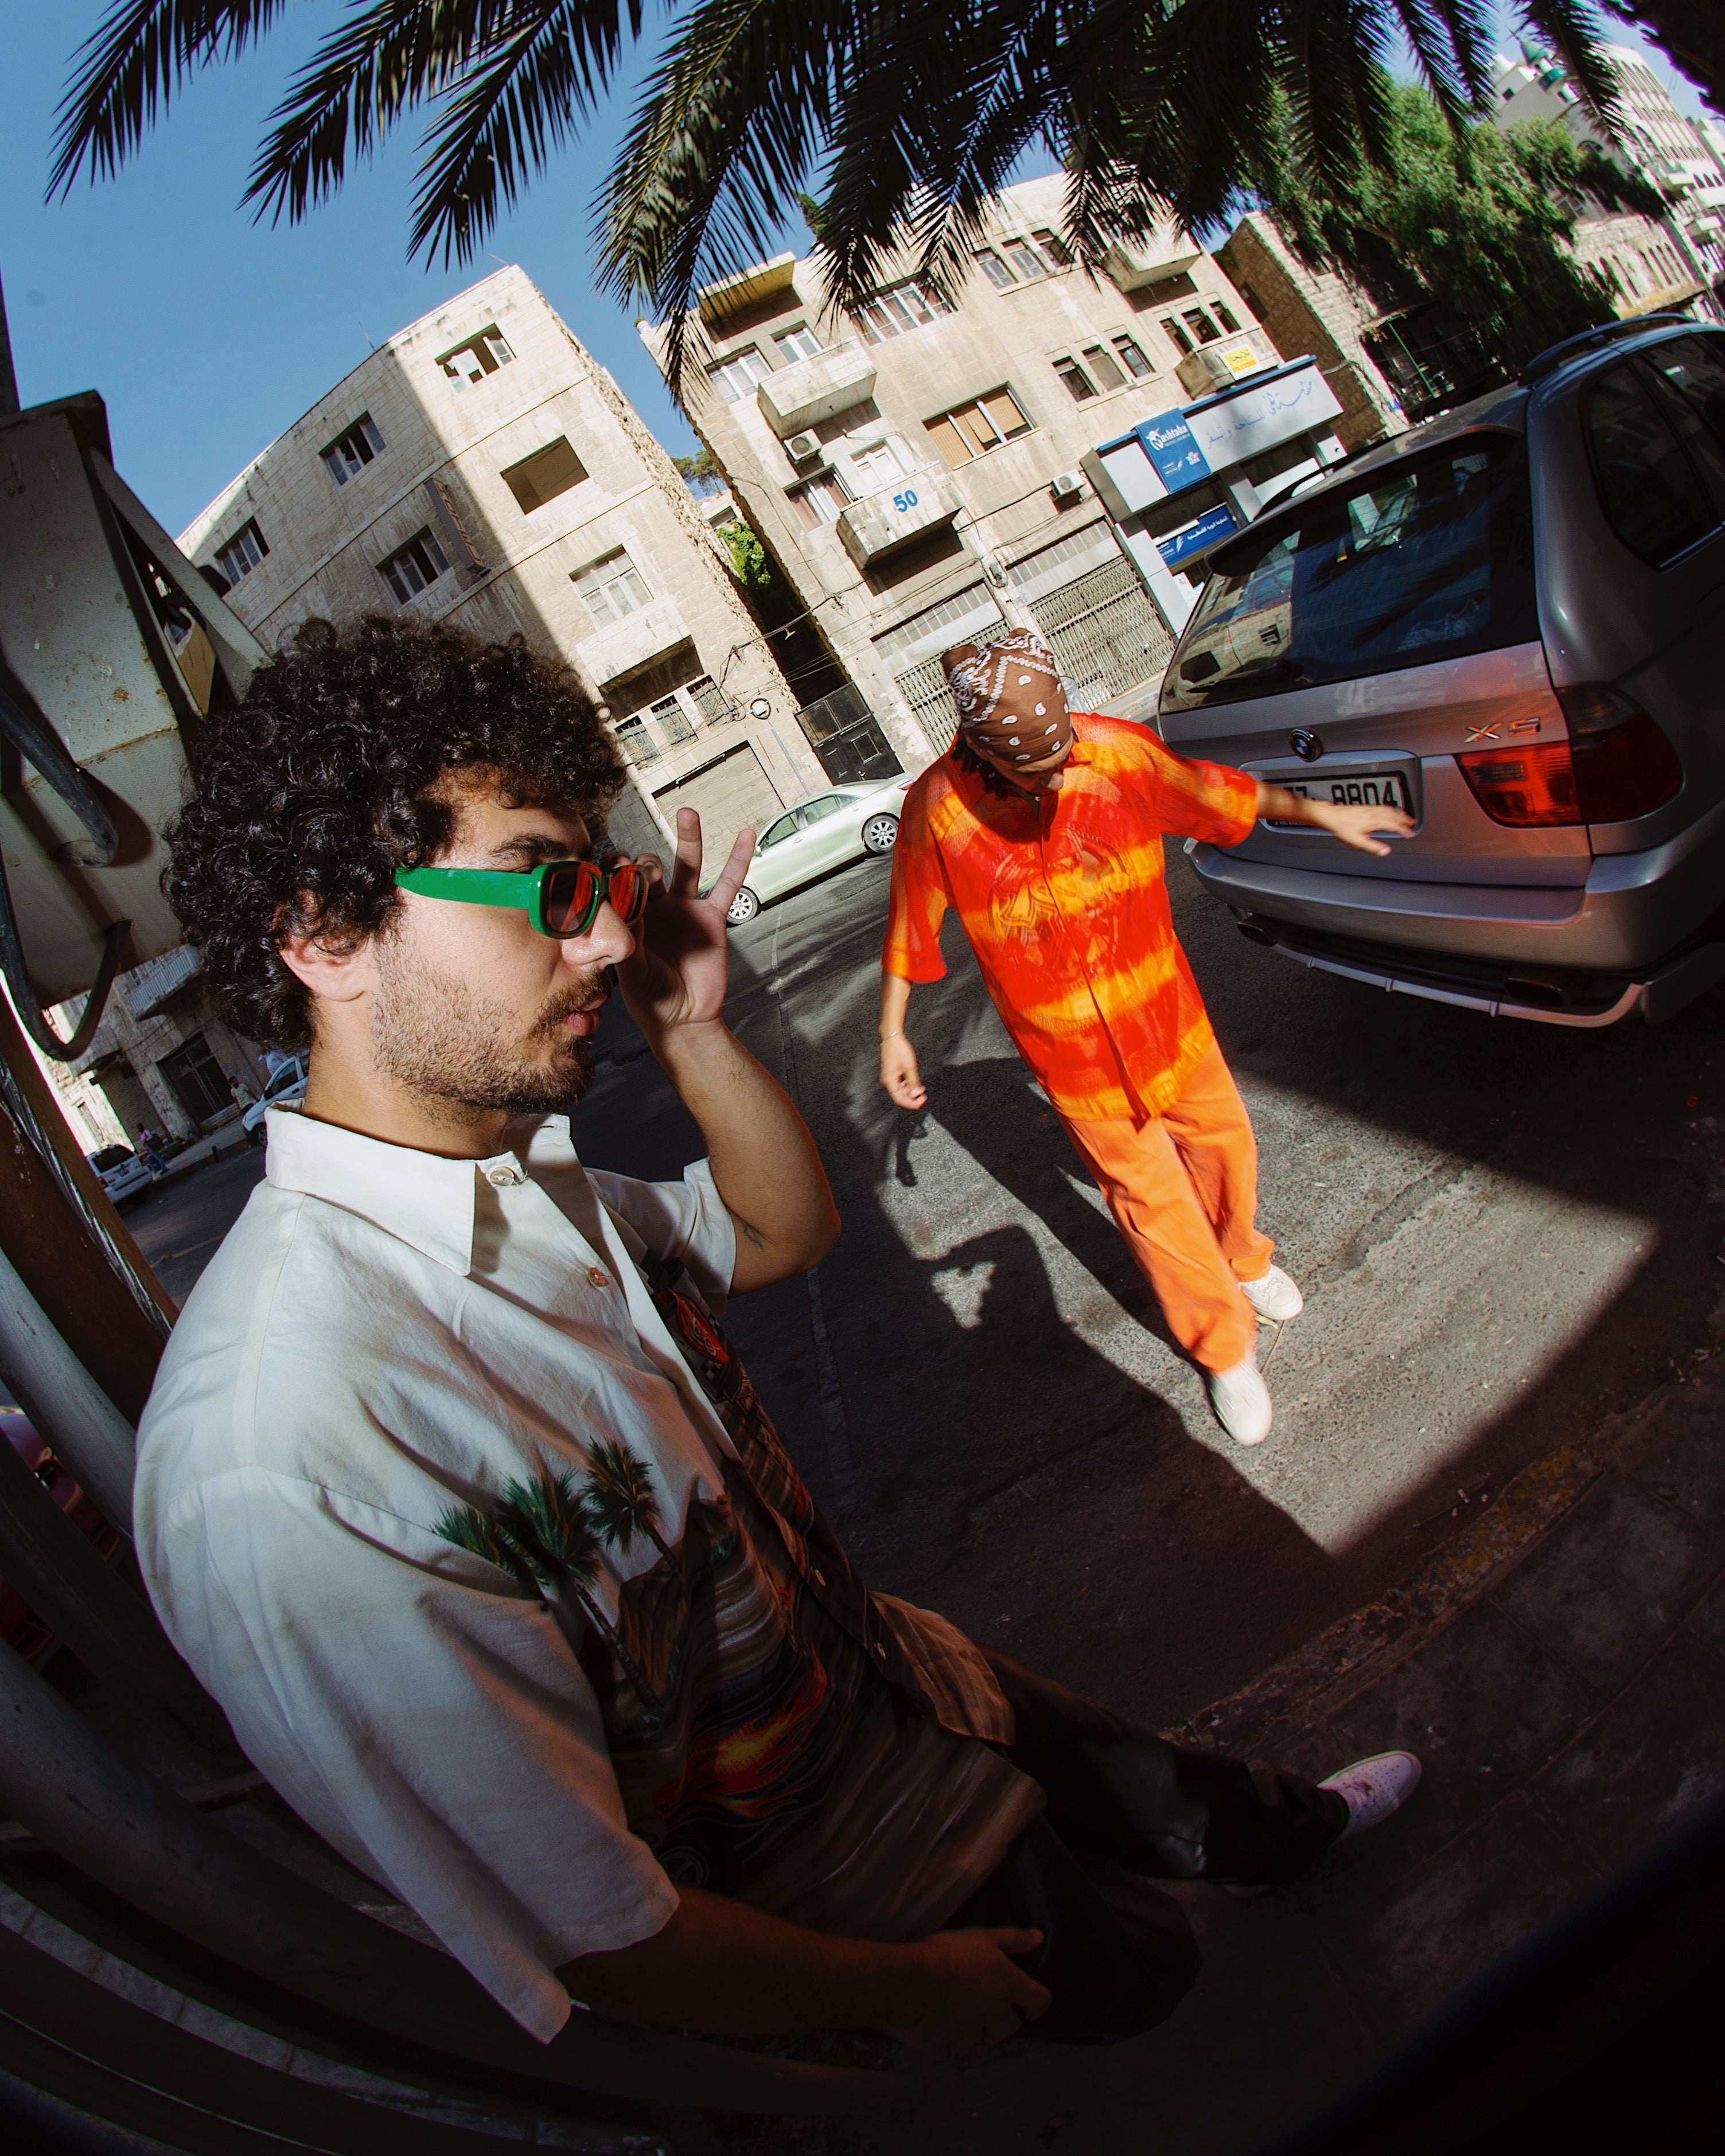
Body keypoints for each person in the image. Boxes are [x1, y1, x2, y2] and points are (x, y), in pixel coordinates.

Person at [137, 615, 1419, 2064]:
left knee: (1148, 1781)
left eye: (605, 880)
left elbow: (776, 1235)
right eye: (548, 886)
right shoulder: (291, 1450)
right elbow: (600, 1928)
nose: (611, 932)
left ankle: (1292, 1830)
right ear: (322, 934)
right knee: (1165, 1995)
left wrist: (691, 1037)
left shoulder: (522, 1185)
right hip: (866, 1886)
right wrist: (906, 1987)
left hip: (900, 1677)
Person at [879, 631, 1414, 1447]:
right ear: (981, 750)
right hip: (1073, 1062)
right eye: (1035, 769)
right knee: (1150, 1201)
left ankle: (1242, 1257)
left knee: (1226, 1147)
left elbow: (1216, 792)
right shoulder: (938, 812)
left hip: (1170, 1020)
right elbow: (911, 922)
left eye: (1062, 754)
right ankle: (1223, 1348)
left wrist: (1322, 811)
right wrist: (892, 1030)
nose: (1058, 775)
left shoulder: (1116, 753)